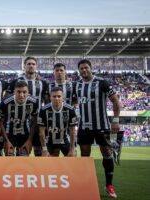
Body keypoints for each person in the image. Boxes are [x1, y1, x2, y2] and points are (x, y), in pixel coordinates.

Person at [74, 59, 120, 199]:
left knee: (107, 152)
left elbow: (115, 101)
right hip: (84, 126)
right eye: (81, 68)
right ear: (79, 70)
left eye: (86, 68)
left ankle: (109, 185)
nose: (84, 70)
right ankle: (86, 185)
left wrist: (116, 120)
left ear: (91, 68)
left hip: (103, 125)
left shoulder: (102, 82)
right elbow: (74, 102)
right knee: (85, 155)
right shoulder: (76, 85)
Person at [6, 56, 49, 156]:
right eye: (28, 64)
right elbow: (7, 100)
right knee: (20, 150)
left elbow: (47, 103)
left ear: (36, 66)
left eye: (33, 64)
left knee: (38, 149)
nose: (31, 66)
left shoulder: (42, 83)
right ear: (24, 66)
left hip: (37, 121)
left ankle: (37, 171)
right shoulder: (15, 82)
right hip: (19, 121)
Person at [0, 81, 38, 156]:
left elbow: (34, 122)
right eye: (18, 92)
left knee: (23, 159)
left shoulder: (33, 102)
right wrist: (6, 140)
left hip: (25, 134)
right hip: (9, 134)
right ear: (14, 92)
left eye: (24, 92)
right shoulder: (5, 103)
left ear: (28, 92)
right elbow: (0, 122)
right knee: (9, 157)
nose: (21, 95)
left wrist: (29, 140)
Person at [38, 87, 77, 157]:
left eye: (59, 96)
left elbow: (73, 131)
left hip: (64, 139)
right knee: (46, 161)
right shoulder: (43, 110)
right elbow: (41, 132)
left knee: (72, 158)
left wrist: (72, 149)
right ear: (50, 97)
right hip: (49, 140)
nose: (56, 98)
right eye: (54, 96)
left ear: (63, 98)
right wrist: (44, 149)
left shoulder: (70, 109)